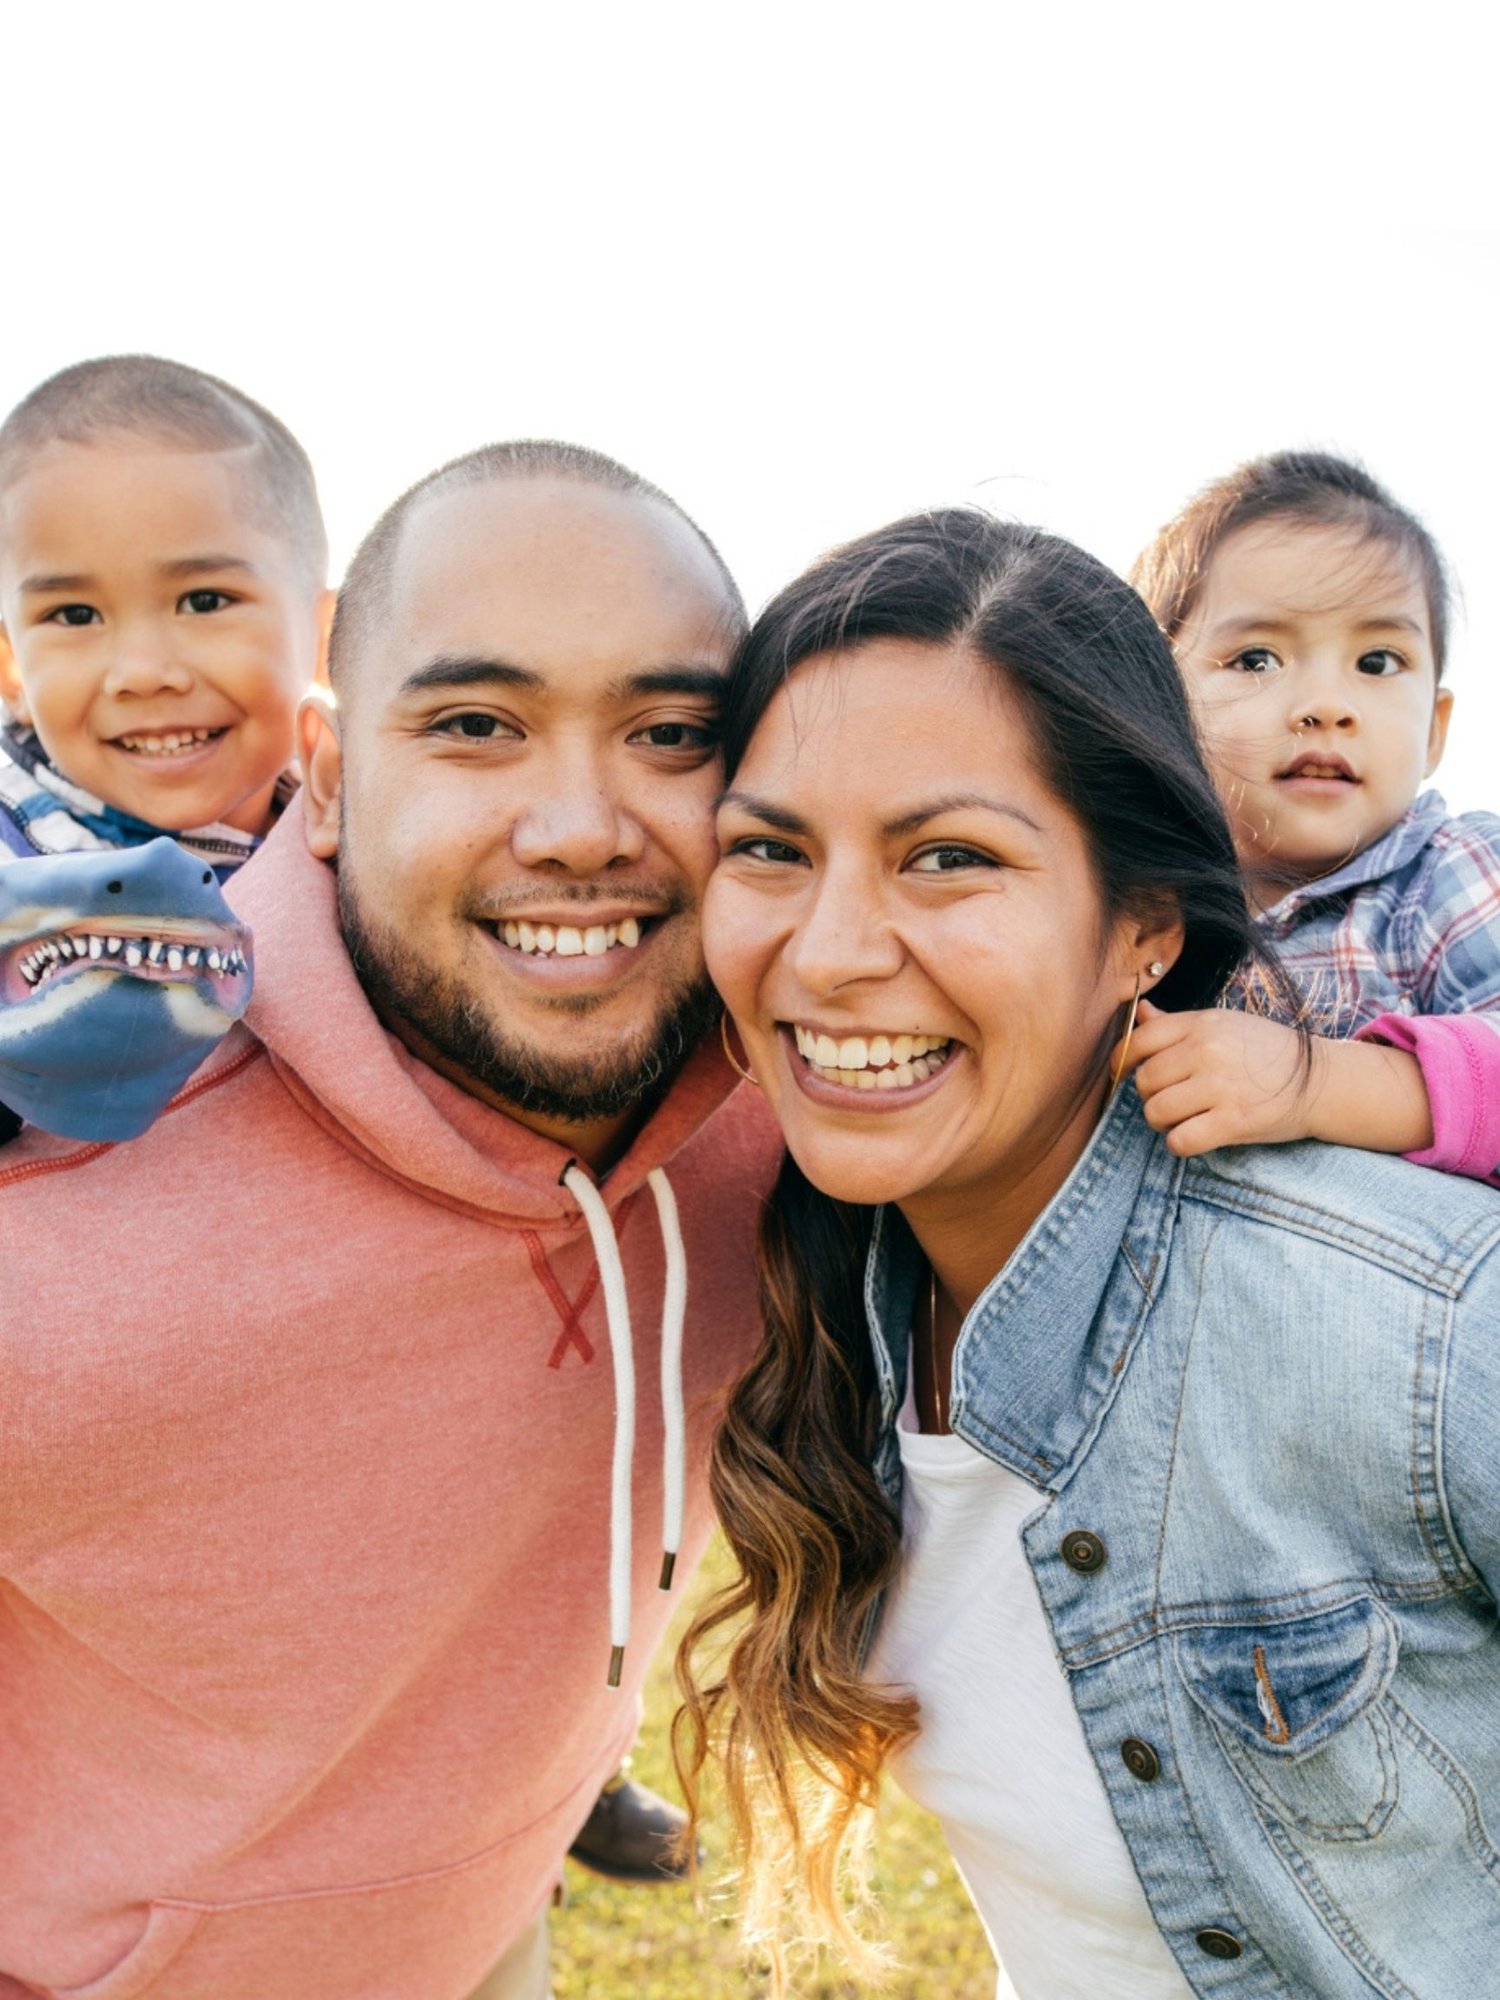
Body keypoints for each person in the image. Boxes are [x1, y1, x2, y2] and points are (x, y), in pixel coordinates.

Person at [680, 508, 1500, 1998]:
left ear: (1141, 929)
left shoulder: (1422, 1325)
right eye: (770, 849)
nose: (831, 949)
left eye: (947, 857)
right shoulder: (839, 1301)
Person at [0, 441, 780, 2000]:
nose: (577, 825)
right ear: (335, 776)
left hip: (489, 1924)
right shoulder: (60, 1175)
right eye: (478, 725)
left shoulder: (793, 1117)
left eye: (670, 731)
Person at [1122, 451, 1500, 1184]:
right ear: (1155, 708)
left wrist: (1314, 1083)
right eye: (1258, 658)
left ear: (1434, 730)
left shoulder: (1449, 875)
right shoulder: (1136, 907)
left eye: (1378, 661)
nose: (1327, 704)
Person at [0, 352, 332, 1140]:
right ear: (11, 664)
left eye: (204, 600)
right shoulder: (16, 850)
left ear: (325, 637)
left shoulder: (359, 845)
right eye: (75, 616)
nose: (143, 673)